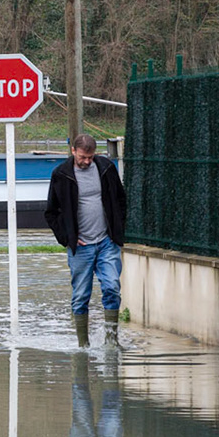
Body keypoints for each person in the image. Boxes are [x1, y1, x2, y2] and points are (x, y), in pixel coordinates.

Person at [43, 134, 126, 348]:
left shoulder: (106, 168)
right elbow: (51, 212)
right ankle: (83, 345)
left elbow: (120, 199)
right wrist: (67, 237)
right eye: (82, 157)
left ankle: (111, 341)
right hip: (80, 247)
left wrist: (117, 231)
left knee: (112, 287)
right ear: (73, 151)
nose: (86, 161)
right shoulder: (61, 174)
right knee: (81, 295)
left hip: (107, 242)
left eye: (90, 157)